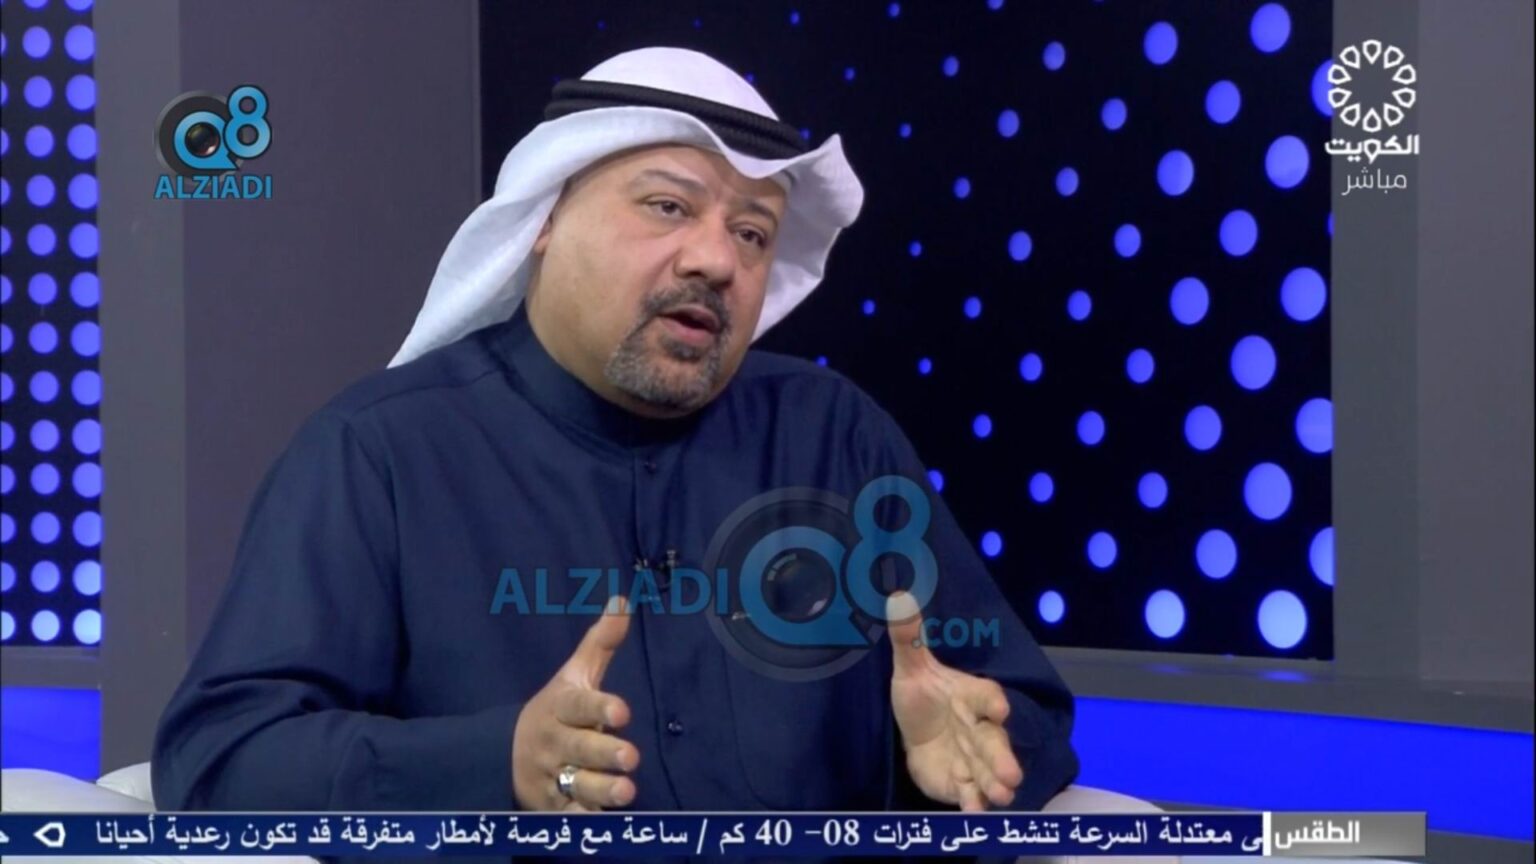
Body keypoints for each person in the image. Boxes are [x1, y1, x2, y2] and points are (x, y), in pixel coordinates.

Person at [152, 46, 1079, 860]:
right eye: (669, 206)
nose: (717, 261)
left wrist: (946, 763)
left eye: (752, 233)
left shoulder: (835, 436)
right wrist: (499, 765)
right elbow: (219, 759)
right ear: (545, 220)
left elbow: (1018, 711)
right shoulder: (381, 455)